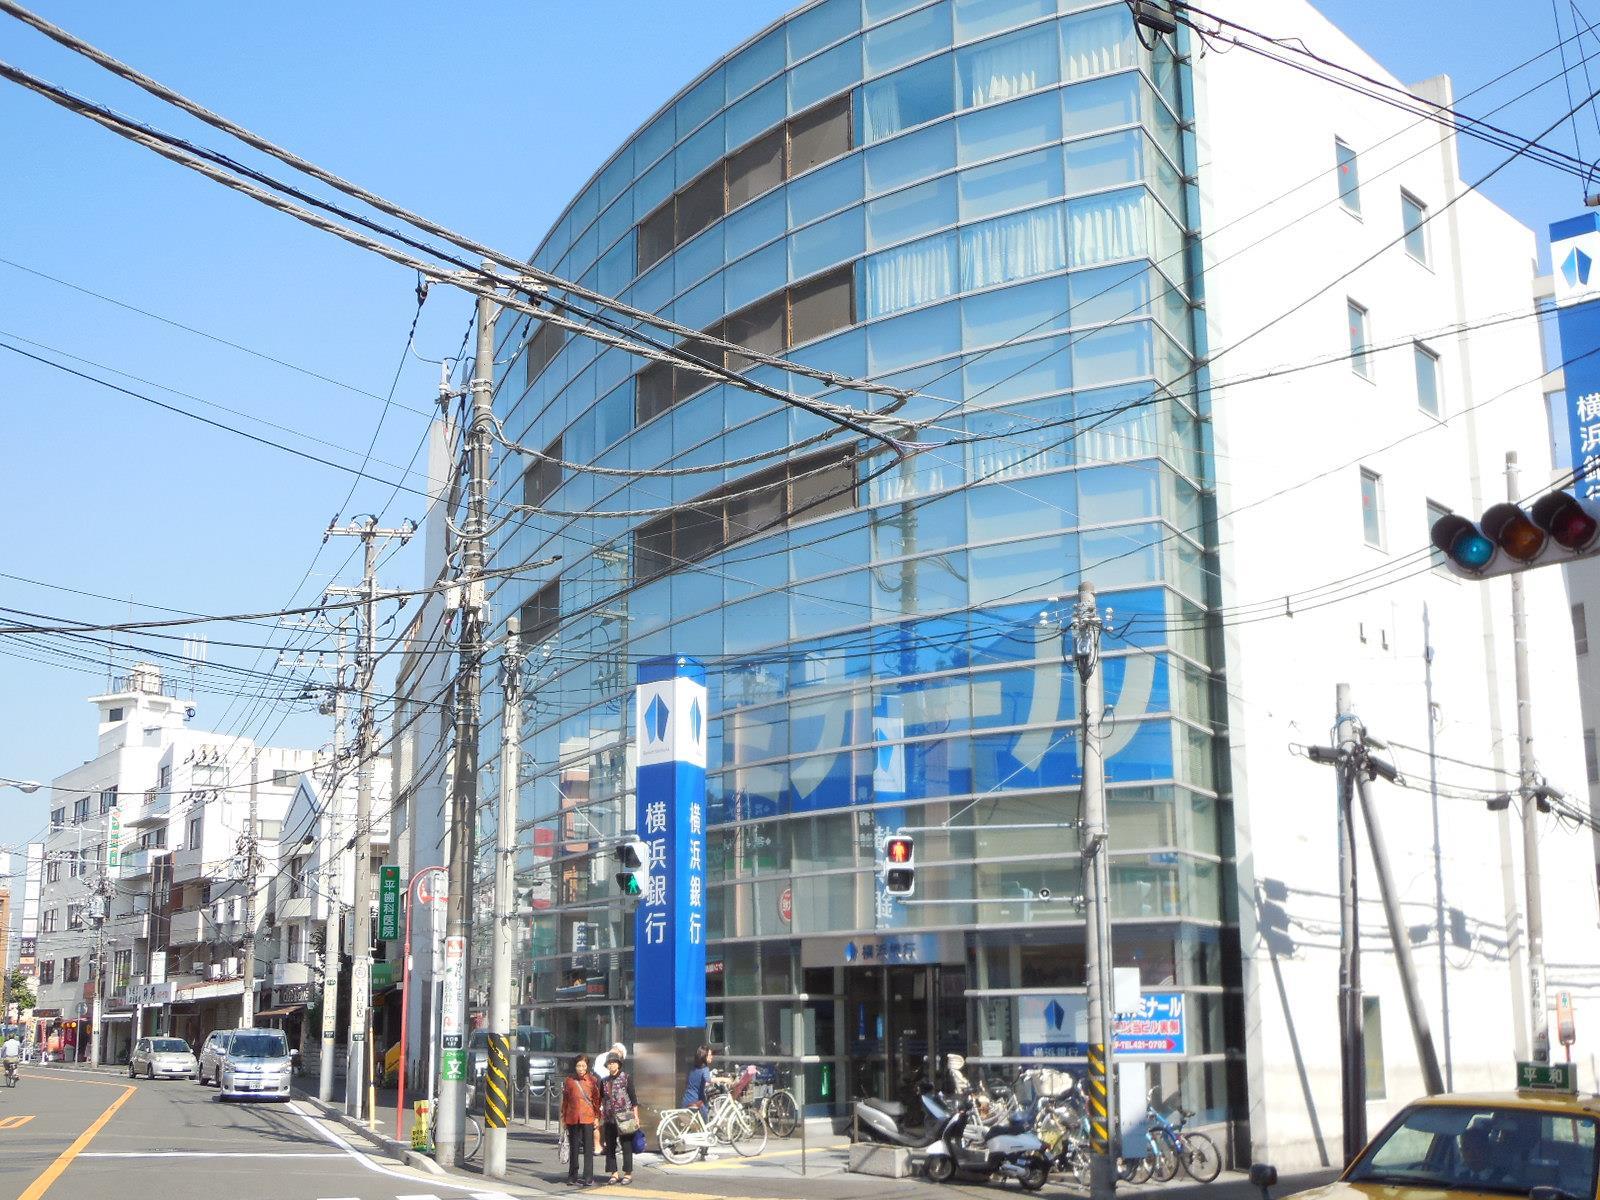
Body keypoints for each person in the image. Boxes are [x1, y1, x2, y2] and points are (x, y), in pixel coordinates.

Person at [561, 1053, 603, 1187]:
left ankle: (588, 1177)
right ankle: (572, 1176)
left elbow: (596, 1100)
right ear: (575, 1067)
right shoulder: (569, 1080)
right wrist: (563, 1118)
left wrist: (597, 1117)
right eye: (578, 1066)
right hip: (572, 1117)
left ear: (587, 1067)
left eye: (583, 1066)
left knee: (588, 1149)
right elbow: (565, 1100)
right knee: (573, 1148)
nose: (581, 1068)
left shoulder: (592, 1080)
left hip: (588, 1117)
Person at [599, 1053, 639, 1185]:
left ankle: (628, 1173)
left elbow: (633, 1099)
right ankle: (614, 1173)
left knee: (626, 1145)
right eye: (609, 1063)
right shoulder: (604, 1081)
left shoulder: (626, 1078)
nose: (611, 1065)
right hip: (609, 1117)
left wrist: (636, 1116)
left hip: (625, 1117)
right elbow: (602, 1099)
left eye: (614, 1062)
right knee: (610, 1146)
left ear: (619, 1064)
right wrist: (601, 1115)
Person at [681, 1044, 715, 1111]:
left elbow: (697, 1082)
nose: (712, 1057)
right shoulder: (704, 1068)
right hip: (696, 1101)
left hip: (687, 1100)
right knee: (705, 1116)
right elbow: (708, 1079)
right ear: (704, 1056)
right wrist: (724, 1079)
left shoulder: (694, 1069)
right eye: (710, 1055)